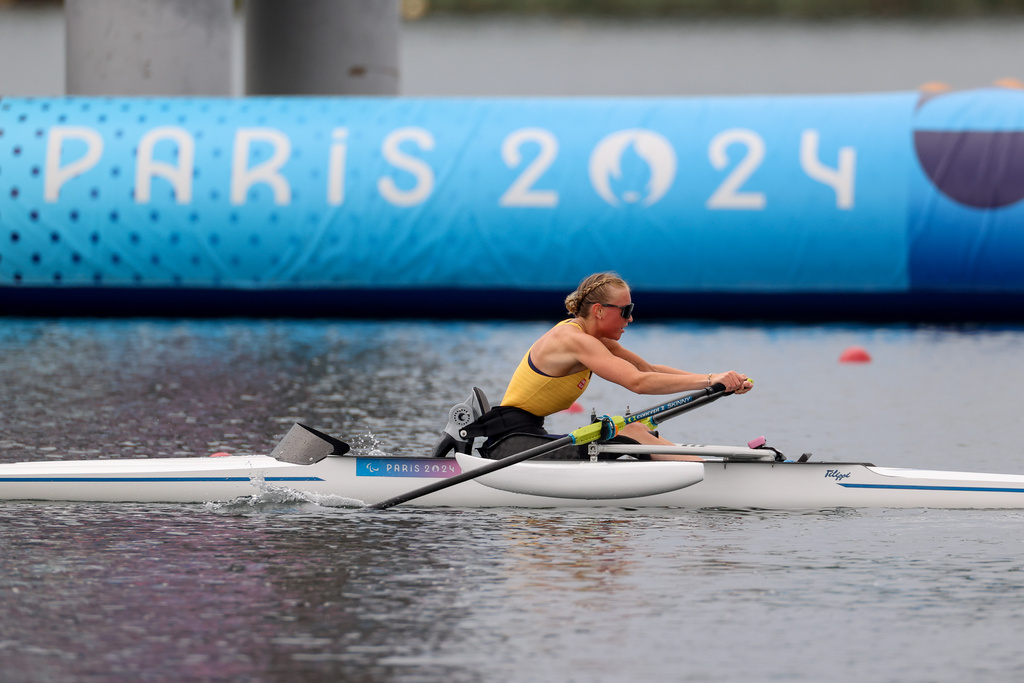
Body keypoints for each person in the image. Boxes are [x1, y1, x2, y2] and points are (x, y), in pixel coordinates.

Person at [469, 272, 752, 462]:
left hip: (528, 436)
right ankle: (709, 474)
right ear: (599, 311)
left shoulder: (594, 338)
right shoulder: (573, 339)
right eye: (625, 311)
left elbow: (647, 369)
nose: (630, 319)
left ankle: (701, 469)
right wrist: (710, 380)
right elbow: (637, 384)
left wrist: (719, 381)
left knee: (634, 429)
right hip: (511, 446)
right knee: (627, 431)